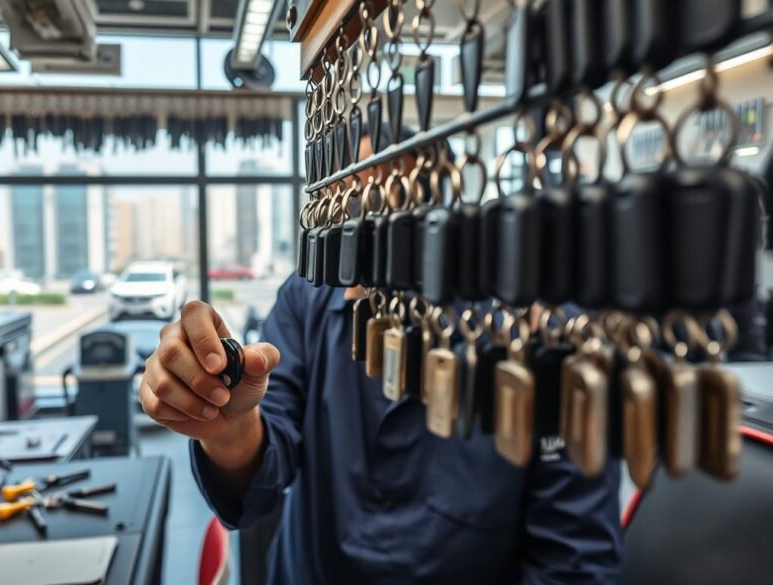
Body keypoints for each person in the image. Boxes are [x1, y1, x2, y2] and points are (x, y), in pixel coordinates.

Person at [138, 137, 624, 584]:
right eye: (346, 206)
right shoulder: (309, 299)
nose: (359, 235)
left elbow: (573, 557)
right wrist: (227, 425)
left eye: (383, 204)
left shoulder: (544, 338)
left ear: (443, 211)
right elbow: (263, 465)